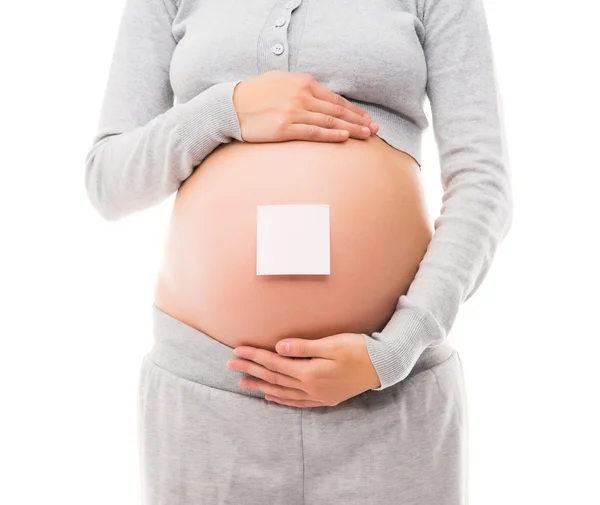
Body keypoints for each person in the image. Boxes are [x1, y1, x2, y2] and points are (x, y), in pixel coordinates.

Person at [84, 0, 513, 503]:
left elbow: (484, 185)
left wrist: (395, 351)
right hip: (210, 398)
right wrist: (225, 110)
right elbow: (108, 182)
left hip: (390, 397)